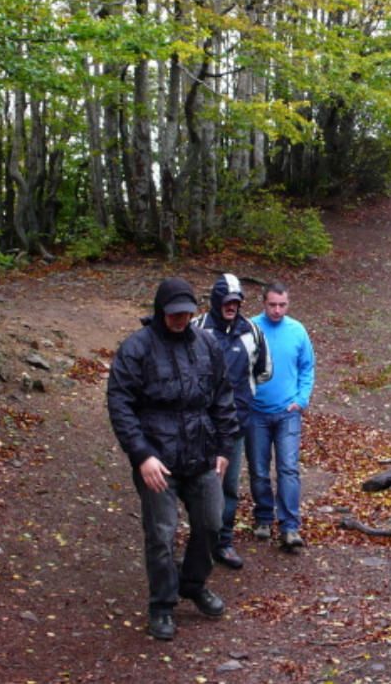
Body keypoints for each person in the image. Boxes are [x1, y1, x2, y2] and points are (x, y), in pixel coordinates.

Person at [107, 277, 239, 641]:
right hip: (157, 461)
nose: (180, 320)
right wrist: (141, 455)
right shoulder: (137, 348)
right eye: (173, 314)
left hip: (201, 456)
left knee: (212, 524)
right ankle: (162, 604)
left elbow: (222, 397)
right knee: (162, 535)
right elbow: (120, 403)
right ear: (160, 311)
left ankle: (193, 584)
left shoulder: (207, 345)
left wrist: (224, 448)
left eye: (186, 313)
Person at [192, 273, 272, 569]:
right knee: (199, 485)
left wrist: (243, 395)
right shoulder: (198, 328)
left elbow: (264, 371)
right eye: (227, 301)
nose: (232, 306)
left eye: (236, 301)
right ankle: (199, 542)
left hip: (235, 425)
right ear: (216, 301)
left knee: (229, 487)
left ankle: (223, 542)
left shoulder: (251, 331)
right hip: (200, 425)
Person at [249, 282, 316, 550]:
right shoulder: (250, 328)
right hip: (256, 412)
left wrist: (301, 400)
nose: (277, 310)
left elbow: (307, 367)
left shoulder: (297, 330)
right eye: (272, 305)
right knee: (258, 469)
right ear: (263, 303)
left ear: (288, 304)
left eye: (282, 305)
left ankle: (290, 526)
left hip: (288, 412)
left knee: (288, 469)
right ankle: (264, 517)